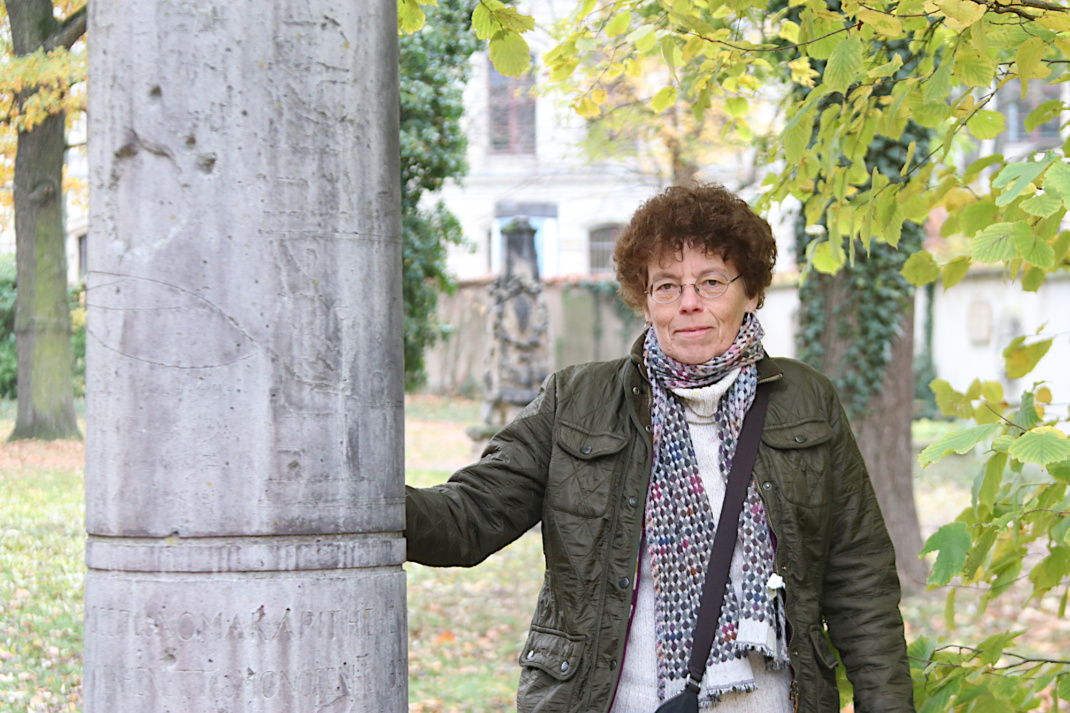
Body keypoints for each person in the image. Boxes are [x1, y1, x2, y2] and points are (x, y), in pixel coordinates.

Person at [405, 183, 914, 713]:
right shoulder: (577, 401)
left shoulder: (806, 400)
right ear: (645, 301)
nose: (688, 303)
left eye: (711, 282)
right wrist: (365, 502)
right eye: (667, 286)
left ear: (753, 292)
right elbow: (467, 517)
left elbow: (861, 581)